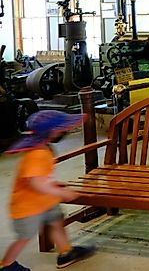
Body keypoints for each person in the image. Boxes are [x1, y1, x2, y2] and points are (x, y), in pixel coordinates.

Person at [1, 111, 96, 271]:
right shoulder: (38, 154)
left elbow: (40, 178)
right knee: (24, 238)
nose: (63, 131)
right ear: (50, 132)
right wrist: (62, 193)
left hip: (45, 201)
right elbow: (36, 183)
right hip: (28, 207)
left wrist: (53, 184)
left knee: (56, 224)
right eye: (60, 128)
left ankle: (66, 252)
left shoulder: (42, 148)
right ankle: (7, 265)